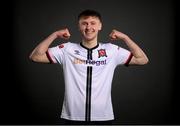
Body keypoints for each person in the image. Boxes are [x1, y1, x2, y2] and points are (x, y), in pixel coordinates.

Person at [29, 9, 149, 124]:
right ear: (79, 26)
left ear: (100, 26)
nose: (88, 27)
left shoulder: (111, 50)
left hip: (103, 117)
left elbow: (142, 59)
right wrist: (55, 35)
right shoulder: (67, 49)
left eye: (93, 23)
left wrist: (125, 38)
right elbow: (35, 56)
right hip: (73, 117)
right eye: (84, 23)